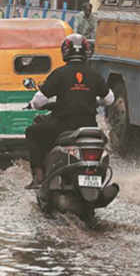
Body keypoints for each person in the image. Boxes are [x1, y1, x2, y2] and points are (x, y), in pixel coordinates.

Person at [24, 33, 114, 189]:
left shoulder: (59, 74)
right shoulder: (94, 74)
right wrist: (94, 99)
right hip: (89, 127)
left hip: (64, 126)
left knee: (32, 132)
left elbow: (39, 101)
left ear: (65, 52)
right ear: (86, 52)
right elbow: (110, 100)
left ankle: (38, 176)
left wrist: (33, 104)